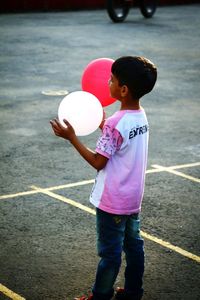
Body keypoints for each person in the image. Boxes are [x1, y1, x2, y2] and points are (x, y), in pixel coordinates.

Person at [50, 56, 157, 300]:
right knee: (134, 246)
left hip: (112, 202)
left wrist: (72, 138)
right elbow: (122, 139)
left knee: (110, 254)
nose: (107, 82)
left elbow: (99, 162)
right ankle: (132, 292)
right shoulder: (140, 115)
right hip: (132, 199)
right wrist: (103, 124)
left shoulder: (116, 124)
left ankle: (100, 295)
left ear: (123, 89)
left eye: (112, 79)